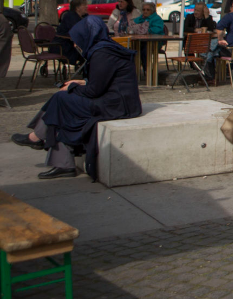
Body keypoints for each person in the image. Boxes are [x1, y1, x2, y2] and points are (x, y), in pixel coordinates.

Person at [11, 15, 141, 180]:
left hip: (116, 105)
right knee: (63, 100)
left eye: (77, 39)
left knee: (61, 100)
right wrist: (80, 82)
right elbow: (103, 81)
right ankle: (53, 153)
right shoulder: (105, 48)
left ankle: (39, 139)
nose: (74, 44)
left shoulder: (102, 53)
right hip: (117, 100)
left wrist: (73, 87)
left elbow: (95, 90)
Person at [131, 1, 166, 77]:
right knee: (132, 49)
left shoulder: (157, 19)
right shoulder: (141, 18)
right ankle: (133, 72)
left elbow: (158, 30)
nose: (145, 11)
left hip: (155, 42)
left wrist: (147, 30)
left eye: (148, 10)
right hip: (142, 41)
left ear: (152, 10)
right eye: (144, 10)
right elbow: (133, 24)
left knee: (144, 50)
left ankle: (147, 70)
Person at [55, 0, 89, 65]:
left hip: (76, 45)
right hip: (65, 46)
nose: (86, 6)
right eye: (84, 5)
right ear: (77, 8)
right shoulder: (70, 16)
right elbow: (77, 32)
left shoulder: (85, 17)